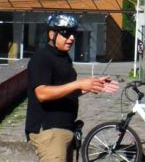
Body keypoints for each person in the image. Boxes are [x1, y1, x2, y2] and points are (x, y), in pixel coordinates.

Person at [25, 13, 118, 162]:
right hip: (50, 132)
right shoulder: (42, 58)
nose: (72, 38)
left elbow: (67, 92)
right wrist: (78, 83)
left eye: (74, 33)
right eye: (66, 33)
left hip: (66, 128)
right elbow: (41, 93)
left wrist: (92, 85)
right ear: (51, 34)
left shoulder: (64, 58)